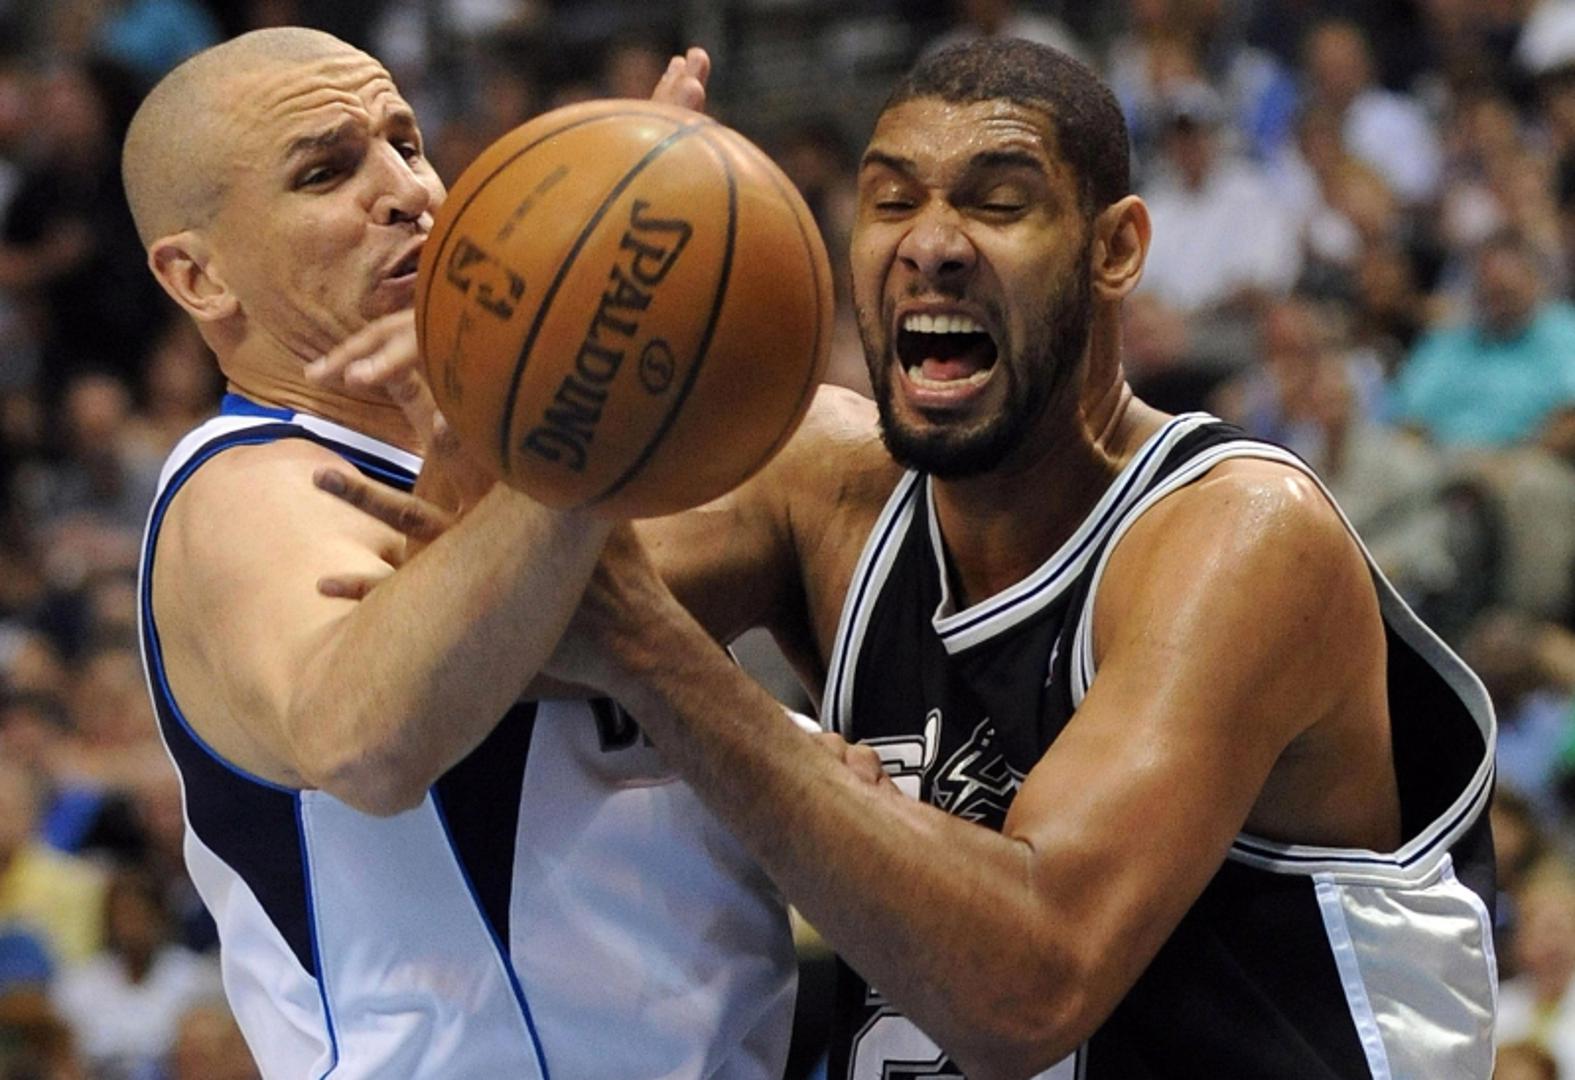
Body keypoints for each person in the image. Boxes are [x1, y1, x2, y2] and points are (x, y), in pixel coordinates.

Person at [324, 37, 1499, 1077]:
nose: (930, 245)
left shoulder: (1237, 538)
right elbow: (475, 663)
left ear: (1116, 248)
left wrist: (655, 656)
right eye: (891, 201)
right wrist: (545, 329)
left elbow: (1029, 988)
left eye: (999, 203)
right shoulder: (825, 488)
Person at [125, 27, 795, 1079]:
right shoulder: (244, 490)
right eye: (325, 172)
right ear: (199, 276)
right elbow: (365, 740)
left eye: (406, 143)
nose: (406, 191)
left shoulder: (513, 456)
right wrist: (589, 385)